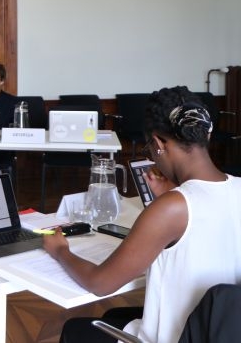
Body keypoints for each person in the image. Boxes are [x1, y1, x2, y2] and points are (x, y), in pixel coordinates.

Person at [43, 86, 241, 343]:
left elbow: (100, 284)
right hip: (223, 329)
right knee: (114, 315)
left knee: (74, 330)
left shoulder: (172, 207)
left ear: (158, 144)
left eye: (149, 148)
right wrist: (174, 194)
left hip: (175, 337)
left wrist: (60, 251)